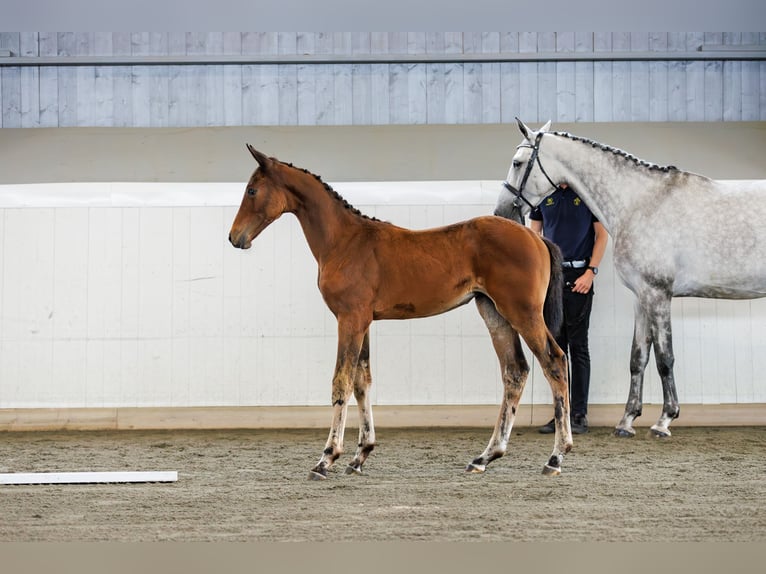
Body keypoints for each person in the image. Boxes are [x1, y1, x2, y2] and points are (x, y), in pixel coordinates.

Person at [529, 182, 608, 435]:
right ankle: (560, 412)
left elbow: (602, 236)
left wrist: (590, 273)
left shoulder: (587, 196)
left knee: (578, 347)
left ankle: (579, 415)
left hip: (580, 278)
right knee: (556, 349)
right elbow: (534, 237)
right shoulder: (544, 197)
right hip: (553, 278)